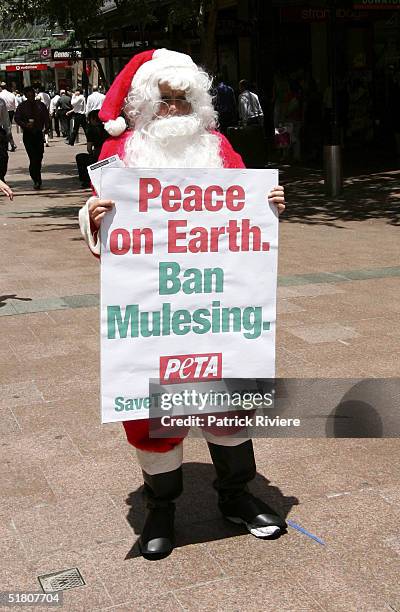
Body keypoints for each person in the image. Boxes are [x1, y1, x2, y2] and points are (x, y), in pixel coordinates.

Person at [78, 49, 285, 561]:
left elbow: (245, 222)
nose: (173, 110)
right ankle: (161, 510)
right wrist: (95, 215)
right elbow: (100, 223)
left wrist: (269, 207)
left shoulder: (220, 149)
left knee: (229, 405)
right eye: (163, 100)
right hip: (155, 315)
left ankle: (236, 497)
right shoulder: (118, 154)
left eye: (182, 99)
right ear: (145, 104)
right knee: (154, 418)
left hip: (215, 312)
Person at [14, 86, 49, 190]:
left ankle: (37, 175)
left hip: (38, 134)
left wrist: (47, 128)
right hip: (28, 134)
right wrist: (24, 125)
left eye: (32, 95)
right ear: (25, 96)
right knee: (33, 158)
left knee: (39, 157)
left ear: (34, 94)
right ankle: (36, 179)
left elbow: (46, 117)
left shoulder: (40, 105)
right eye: (28, 95)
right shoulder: (22, 106)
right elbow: (17, 118)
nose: (30, 97)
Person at [75, 109, 108, 188]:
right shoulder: (107, 128)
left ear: (93, 119)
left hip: (98, 155)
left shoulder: (91, 130)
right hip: (108, 155)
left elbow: (89, 148)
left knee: (80, 157)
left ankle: (86, 180)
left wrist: (92, 153)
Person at [0, 82, 17, 151]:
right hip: (10, 112)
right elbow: (15, 104)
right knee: (7, 128)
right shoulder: (11, 94)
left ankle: (8, 144)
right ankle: (11, 143)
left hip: (4, 112)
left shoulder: (1, 96)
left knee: (4, 129)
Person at [0, 97, 11, 181]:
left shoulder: (1, 101)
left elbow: (5, 118)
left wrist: (8, 132)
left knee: (3, 157)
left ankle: (1, 176)